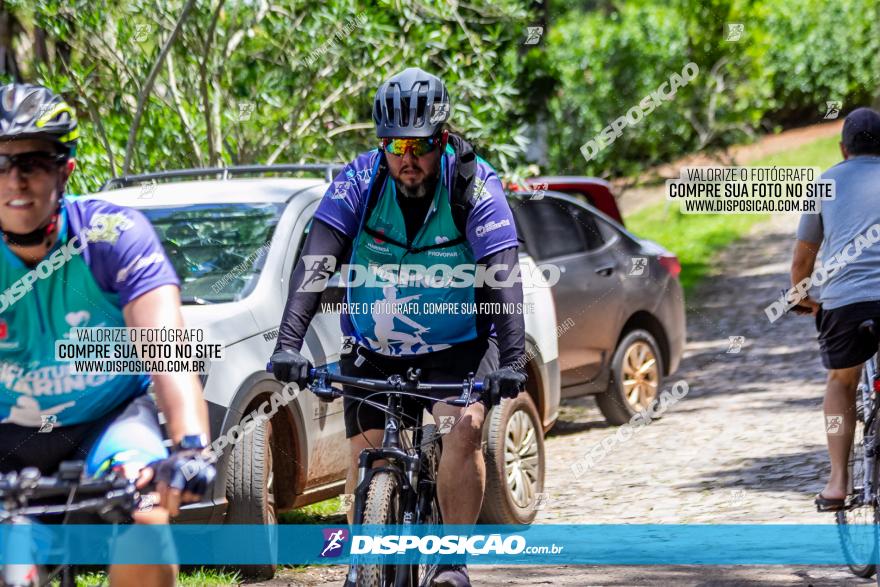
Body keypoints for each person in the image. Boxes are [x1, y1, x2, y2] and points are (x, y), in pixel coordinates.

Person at [270, 67, 527, 587]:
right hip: (375, 343)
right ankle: (362, 565)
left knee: (465, 428)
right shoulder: (359, 182)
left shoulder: (474, 185)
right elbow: (316, 262)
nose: (407, 160)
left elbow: (503, 276)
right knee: (366, 453)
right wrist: (287, 344)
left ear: (444, 137)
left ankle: (452, 562)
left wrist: (515, 359)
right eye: (394, 145)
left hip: (459, 342)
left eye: (421, 145)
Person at [0, 83, 215, 585]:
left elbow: (169, 352)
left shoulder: (113, 236)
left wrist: (189, 448)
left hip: (107, 422)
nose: (15, 179)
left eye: (31, 161)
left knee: (146, 516)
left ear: (65, 169)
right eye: (0, 163)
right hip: (8, 433)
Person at [789, 107, 880, 511]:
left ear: (843, 149)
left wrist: (801, 297)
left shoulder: (825, 183)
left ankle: (838, 483)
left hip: (845, 304)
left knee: (841, 383)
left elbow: (801, 265)